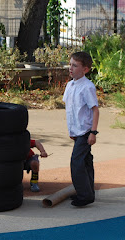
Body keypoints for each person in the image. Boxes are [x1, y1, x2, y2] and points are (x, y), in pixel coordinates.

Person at [63, 51, 99, 207]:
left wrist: (93, 132)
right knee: (85, 161)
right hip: (77, 132)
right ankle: (88, 191)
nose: (71, 68)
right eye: (70, 64)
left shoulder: (87, 87)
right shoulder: (70, 85)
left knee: (76, 163)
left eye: (75, 65)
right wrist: (71, 131)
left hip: (85, 132)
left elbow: (95, 110)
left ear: (85, 69)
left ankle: (84, 196)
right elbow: (71, 109)